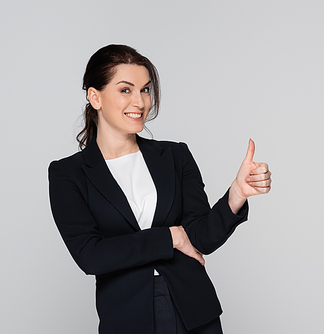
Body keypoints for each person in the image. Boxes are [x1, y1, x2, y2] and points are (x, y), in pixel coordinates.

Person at [48, 44, 271, 334]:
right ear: (95, 97)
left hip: (194, 312)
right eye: (126, 90)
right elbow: (91, 255)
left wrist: (236, 195)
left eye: (145, 90)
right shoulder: (68, 174)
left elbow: (200, 237)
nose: (140, 102)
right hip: (128, 318)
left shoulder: (175, 156)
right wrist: (169, 237)